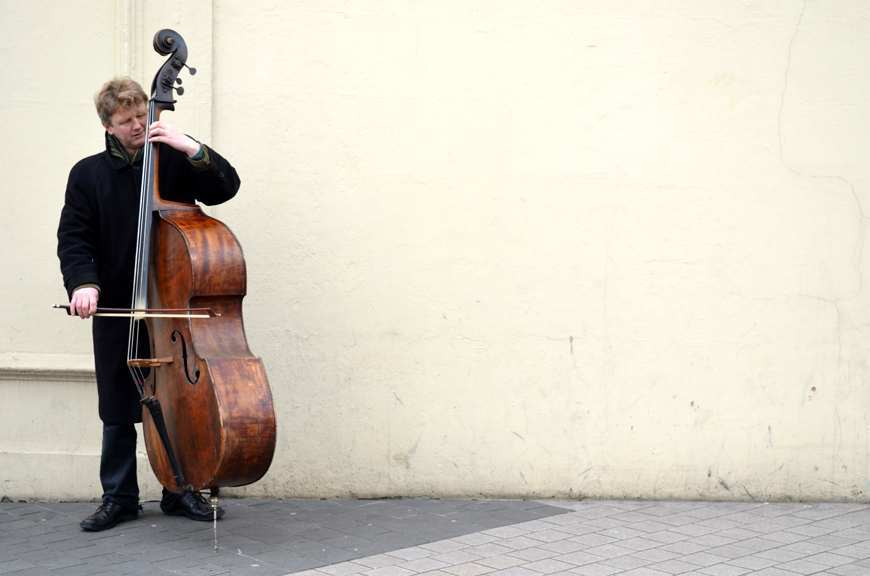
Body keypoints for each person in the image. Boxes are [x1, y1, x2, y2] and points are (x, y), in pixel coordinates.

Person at [57, 77, 241, 531]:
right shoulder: (88, 174)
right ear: (107, 125)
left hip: (173, 304)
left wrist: (191, 147)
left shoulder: (173, 163)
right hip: (119, 301)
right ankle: (119, 498)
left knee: (178, 398)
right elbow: (75, 238)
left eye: (143, 115)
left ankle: (181, 490)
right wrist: (84, 284)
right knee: (119, 405)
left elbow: (226, 187)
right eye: (127, 120)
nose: (140, 125)